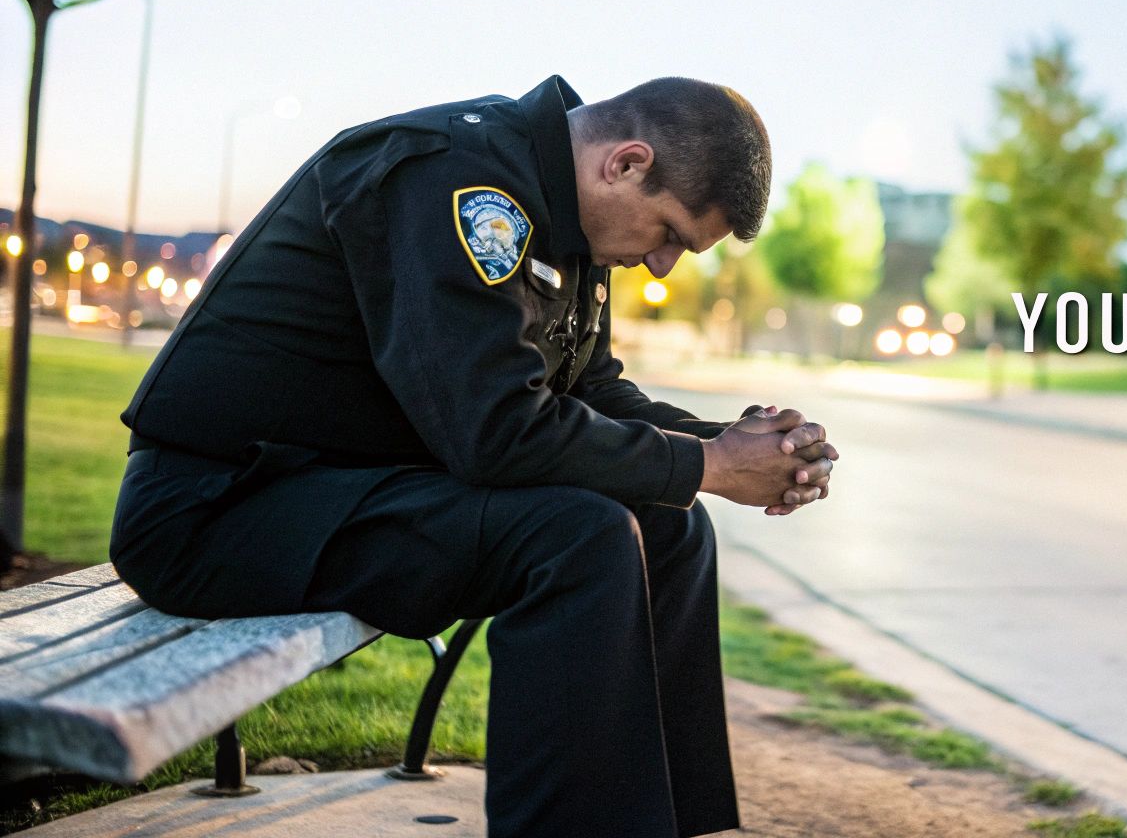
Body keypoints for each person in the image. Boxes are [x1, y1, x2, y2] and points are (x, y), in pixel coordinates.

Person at [108, 75, 837, 838]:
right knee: (577, 538)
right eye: (669, 235)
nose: (662, 266)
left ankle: (674, 826)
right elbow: (495, 433)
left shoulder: (564, 215)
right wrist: (712, 467)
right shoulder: (451, 177)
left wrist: (734, 446)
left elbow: (588, 393)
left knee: (671, 525)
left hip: (340, 488)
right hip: (219, 509)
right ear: (624, 164)